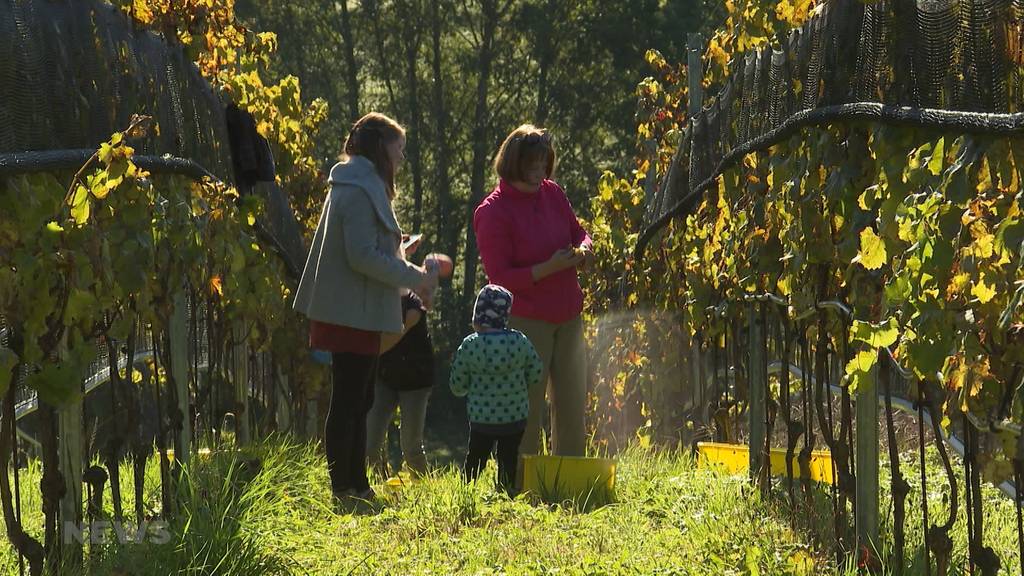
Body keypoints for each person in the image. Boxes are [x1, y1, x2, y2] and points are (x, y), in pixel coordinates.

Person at [293, 112, 443, 506]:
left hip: (354, 308)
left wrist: (397, 253)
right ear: (381, 148)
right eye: (399, 149)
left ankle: (356, 485)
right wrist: (413, 275)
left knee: (358, 398)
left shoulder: (357, 182)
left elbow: (362, 250)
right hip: (350, 312)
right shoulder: (359, 188)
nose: (401, 158)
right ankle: (345, 487)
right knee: (350, 398)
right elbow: (361, 256)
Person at [472, 124, 594, 458]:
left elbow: (579, 232)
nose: (540, 170)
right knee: (525, 404)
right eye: (532, 164)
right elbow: (500, 277)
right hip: (526, 321)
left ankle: (568, 477)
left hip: (568, 313)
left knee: (571, 402)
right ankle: (520, 481)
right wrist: (548, 268)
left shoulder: (553, 193)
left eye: (544, 162)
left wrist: (583, 249)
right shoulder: (492, 212)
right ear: (514, 163)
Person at [450, 284, 543, 492]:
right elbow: (537, 372)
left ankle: (465, 491)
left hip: (482, 418)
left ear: (478, 316)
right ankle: (507, 491)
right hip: (515, 416)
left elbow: (457, 384)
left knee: (476, 455)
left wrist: (465, 388)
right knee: (508, 456)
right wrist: (521, 384)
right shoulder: (520, 341)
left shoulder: (469, 345)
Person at [365, 283, 436, 478]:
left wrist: (362, 355)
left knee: (411, 446)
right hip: (385, 377)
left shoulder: (414, 305)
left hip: (416, 380)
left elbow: (391, 338)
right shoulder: (375, 299)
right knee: (370, 444)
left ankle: (423, 491)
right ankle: (369, 486)